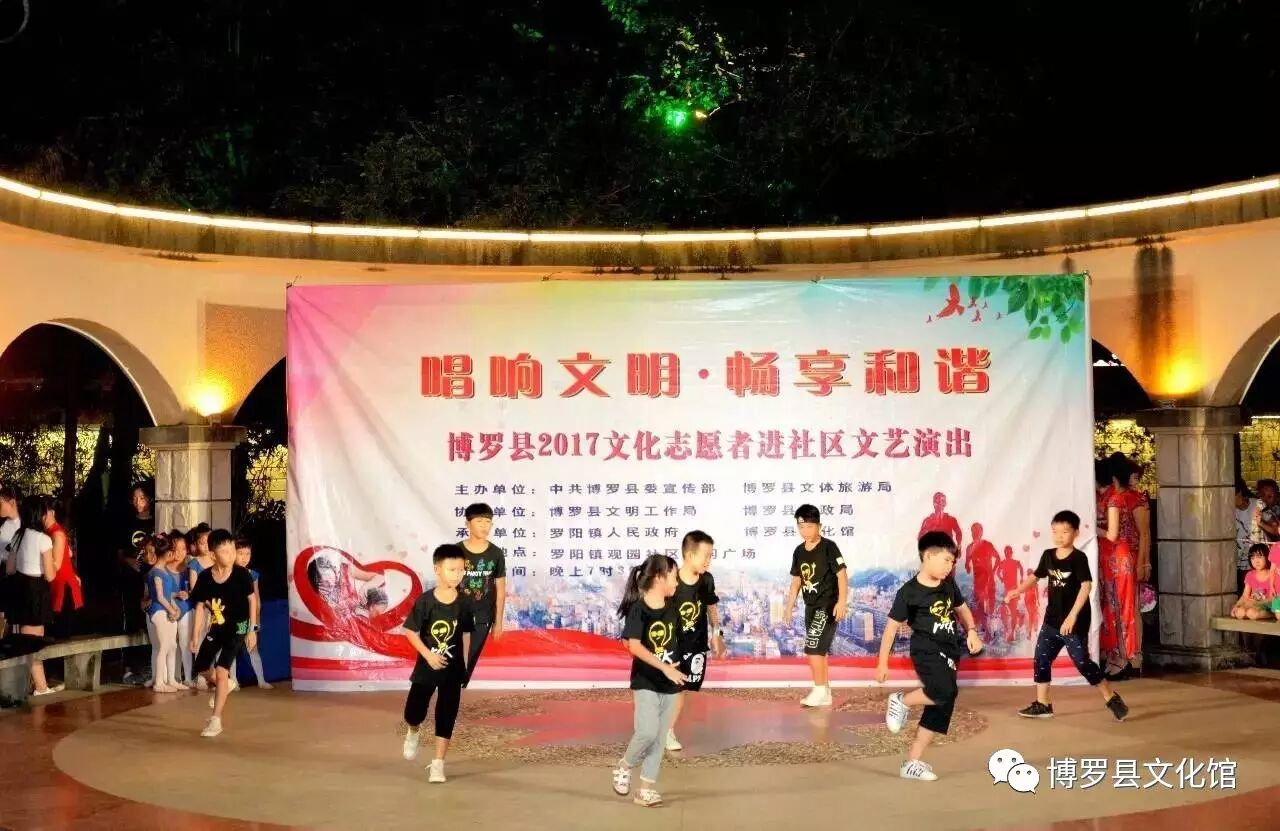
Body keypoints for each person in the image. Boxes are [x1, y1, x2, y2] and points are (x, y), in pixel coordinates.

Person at [877, 532, 983, 782]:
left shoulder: (949, 585)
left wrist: (972, 631)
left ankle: (912, 762)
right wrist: (882, 663)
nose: (950, 566)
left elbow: (962, 610)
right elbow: (891, 629)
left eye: (952, 562)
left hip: (950, 651)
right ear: (927, 557)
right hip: (925, 649)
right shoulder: (909, 592)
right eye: (946, 560)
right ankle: (901, 700)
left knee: (943, 703)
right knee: (944, 691)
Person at [1005, 511, 1129, 722]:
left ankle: (1111, 697)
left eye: (1064, 532)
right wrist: (1018, 590)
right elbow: (1036, 576)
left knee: (1082, 662)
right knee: (1041, 659)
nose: (1059, 536)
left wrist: (1072, 617)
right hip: (1052, 621)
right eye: (1055, 531)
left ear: (1076, 533)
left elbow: (1086, 587)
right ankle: (1043, 704)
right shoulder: (1048, 555)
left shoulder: (1078, 558)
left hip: (1074, 622)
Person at [611, 554, 686, 808]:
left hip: (671, 684)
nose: (677, 581)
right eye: (674, 576)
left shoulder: (673, 607)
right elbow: (633, 645)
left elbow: (675, 642)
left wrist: (678, 668)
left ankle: (645, 791)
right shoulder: (639, 609)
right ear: (659, 577)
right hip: (646, 681)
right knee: (646, 732)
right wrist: (664, 667)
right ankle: (625, 765)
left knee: (659, 738)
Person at [400, 544, 475, 784]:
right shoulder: (425, 601)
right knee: (414, 711)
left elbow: (465, 634)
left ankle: (438, 763)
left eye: (461, 570)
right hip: (427, 667)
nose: (457, 575)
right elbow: (410, 631)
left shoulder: (465, 603)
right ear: (437, 570)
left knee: (447, 713)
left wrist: (465, 666)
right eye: (452, 570)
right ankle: (413, 730)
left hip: (452, 670)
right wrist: (427, 655)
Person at [188, 529, 258, 738]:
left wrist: (252, 630)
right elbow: (200, 607)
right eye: (225, 552)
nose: (231, 555)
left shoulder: (242, 574)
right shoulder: (205, 578)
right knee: (201, 667)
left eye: (232, 550)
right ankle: (225, 684)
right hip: (218, 626)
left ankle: (216, 720)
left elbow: (252, 600)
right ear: (213, 555)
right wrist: (195, 635)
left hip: (239, 626)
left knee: (221, 670)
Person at [665, 530, 725, 752]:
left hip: (696, 646)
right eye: (705, 556)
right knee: (674, 689)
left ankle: (665, 728)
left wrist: (717, 634)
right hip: (672, 646)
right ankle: (666, 731)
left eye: (711, 556)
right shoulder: (671, 580)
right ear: (690, 555)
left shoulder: (706, 580)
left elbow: (711, 607)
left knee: (685, 689)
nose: (709, 561)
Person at [784, 504, 848, 707]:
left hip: (827, 605)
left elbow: (842, 575)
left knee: (813, 647)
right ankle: (825, 692)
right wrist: (789, 606)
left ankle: (819, 689)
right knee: (819, 651)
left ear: (819, 526)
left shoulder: (829, 547)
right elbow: (796, 581)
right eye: (801, 527)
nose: (805, 531)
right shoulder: (798, 551)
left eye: (809, 526)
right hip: (810, 606)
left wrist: (842, 602)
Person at [1101, 454, 1149, 679]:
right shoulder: (1124, 498)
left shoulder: (1120, 500)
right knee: (1125, 609)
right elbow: (1143, 534)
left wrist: (1143, 562)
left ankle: (1127, 657)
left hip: (1121, 559)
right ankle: (1129, 657)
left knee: (1123, 610)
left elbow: (1143, 533)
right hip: (1122, 559)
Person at [7, 495, 60, 695]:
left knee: (26, 638)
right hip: (37, 590)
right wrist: (54, 563)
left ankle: (38, 684)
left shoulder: (18, 536)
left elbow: (10, 568)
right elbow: (50, 575)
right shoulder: (43, 539)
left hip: (20, 588)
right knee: (34, 641)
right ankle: (40, 686)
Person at [456, 503, 506, 684]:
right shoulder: (456, 551)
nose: (485, 526)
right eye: (479, 521)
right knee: (455, 657)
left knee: (471, 658)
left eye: (488, 521)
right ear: (467, 524)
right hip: (458, 613)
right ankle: (452, 691)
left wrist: (498, 622)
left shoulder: (496, 553)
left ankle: (459, 688)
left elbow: (501, 589)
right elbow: (446, 584)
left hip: (483, 615)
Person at [117, 483, 156, 685]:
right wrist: (129, 561)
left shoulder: (157, 520)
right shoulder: (128, 523)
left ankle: (150, 664)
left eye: (141, 498)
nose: (137, 502)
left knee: (151, 619)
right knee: (132, 619)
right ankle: (130, 665)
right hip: (131, 579)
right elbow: (120, 552)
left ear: (149, 499)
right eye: (134, 498)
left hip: (151, 578)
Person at [145, 536, 187, 693]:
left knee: (172, 646)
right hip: (159, 611)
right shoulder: (156, 572)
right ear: (167, 553)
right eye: (172, 551)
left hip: (167, 611)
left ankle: (171, 679)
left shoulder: (163, 572)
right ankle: (159, 682)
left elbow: (167, 594)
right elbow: (160, 596)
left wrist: (176, 599)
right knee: (163, 646)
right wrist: (172, 610)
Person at [235, 537, 272, 689]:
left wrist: (256, 622)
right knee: (231, 650)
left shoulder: (253, 574)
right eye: (240, 553)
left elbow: (257, 600)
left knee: (253, 648)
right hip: (234, 618)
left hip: (250, 618)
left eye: (247, 554)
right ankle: (233, 682)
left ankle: (261, 680)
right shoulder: (228, 573)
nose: (244, 558)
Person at [44, 498, 83, 640]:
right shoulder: (50, 532)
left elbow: (57, 565)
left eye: (45, 512)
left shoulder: (57, 533)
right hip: (57, 585)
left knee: (62, 634)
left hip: (62, 586)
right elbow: (69, 554)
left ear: (52, 512)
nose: (42, 516)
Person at [186, 523, 215, 690]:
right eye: (202, 542)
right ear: (196, 544)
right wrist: (209, 606)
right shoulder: (194, 563)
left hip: (217, 607)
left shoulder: (217, 560)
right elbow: (195, 589)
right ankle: (201, 677)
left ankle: (214, 676)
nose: (206, 546)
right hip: (201, 608)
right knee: (200, 639)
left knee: (213, 642)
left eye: (208, 542)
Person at [168, 531, 194, 685]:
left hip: (186, 608)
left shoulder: (190, 567)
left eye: (183, 549)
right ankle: (174, 677)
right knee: (172, 644)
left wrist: (188, 593)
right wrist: (175, 595)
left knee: (185, 643)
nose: (179, 553)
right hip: (170, 609)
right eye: (175, 549)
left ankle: (188, 677)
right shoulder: (163, 568)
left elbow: (195, 589)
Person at [964, 523, 1000, 637]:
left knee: (990, 606)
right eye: (973, 531)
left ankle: (992, 629)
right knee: (980, 606)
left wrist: (992, 571)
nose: (975, 533)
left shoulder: (987, 545)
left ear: (981, 532)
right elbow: (967, 566)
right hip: (978, 582)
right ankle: (987, 632)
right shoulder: (969, 548)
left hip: (989, 580)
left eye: (977, 531)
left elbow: (998, 558)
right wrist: (968, 566)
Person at [1231, 543, 1277, 621]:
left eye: (1259, 557)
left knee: (1252, 613)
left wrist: (1257, 603)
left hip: (1268, 605)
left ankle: (1271, 614)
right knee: (1240, 613)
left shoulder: (1273, 575)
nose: (1256, 561)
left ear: (1267, 557)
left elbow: (1274, 598)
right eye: (1253, 558)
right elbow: (1245, 596)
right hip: (1253, 605)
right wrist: (1237, 605)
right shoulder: (1250, 575)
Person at [0, 484, 22, 636]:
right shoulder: (3, 525)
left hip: (17, 577)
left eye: (1, 502)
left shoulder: (25, 524)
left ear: (12, 502)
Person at [995, 546, 1027, 643]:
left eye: (1009, 552)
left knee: (1011, 611)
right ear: (1006, 553)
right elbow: (997, 572)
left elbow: (1021, 569)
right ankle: (1016, 619)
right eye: (1007, 552)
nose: (1008, 554)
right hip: (1008, 590)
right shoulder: (1006, 563)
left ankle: (1011, 633)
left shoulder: (1014, 562)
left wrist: (1021, 578)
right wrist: (1002, 579)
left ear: (1010, 553)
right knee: (1005, 611)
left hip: (1013, 590)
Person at [1235, 482, 1260, 597]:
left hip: (1256, 555)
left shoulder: (1257, 504)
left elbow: (1274, 528)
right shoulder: (1228, 510)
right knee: (1244, 590)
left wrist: (1261, 522)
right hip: (1238, 558)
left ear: (1239, 493)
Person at [1256, 479, 1280, 543]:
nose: (1265, 499)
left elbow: (1277, 531)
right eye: (1263, 495)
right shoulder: (1262, 509)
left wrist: (1261, 523)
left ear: (1277, 494)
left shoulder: (1276, 509)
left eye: (1269, 496)